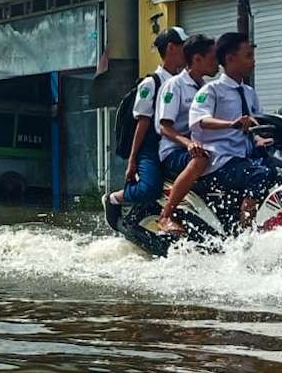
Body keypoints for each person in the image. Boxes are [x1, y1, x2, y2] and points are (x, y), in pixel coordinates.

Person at [103, 26, 188, 229]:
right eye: (183, 46)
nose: (188, 51)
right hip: (150, 147)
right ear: (171, 48)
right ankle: (113, 199)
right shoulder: (152, 83)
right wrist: (133, 159)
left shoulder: (183, 82)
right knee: (149, 188)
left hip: (175, 145)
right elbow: (143, 122)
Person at [190, 31, 272, 228]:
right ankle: (246, 231)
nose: (254, 61)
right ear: (230, 59)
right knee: (260, 174)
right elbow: (200, 119)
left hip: (244, 157)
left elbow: (258, 122)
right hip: (221, 161)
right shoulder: (211, 90)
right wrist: (231, 124)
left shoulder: (249, 92)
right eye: (248, 56)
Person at [155, 34, 219, 235]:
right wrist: (188, 143)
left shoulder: (209, 88)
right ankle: (166, 215)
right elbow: (164, 126)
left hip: (203, 147)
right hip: (174, 150)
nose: (217, 62)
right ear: (197, 59)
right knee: (200, 161)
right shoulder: (175, 85)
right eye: (213, 57)